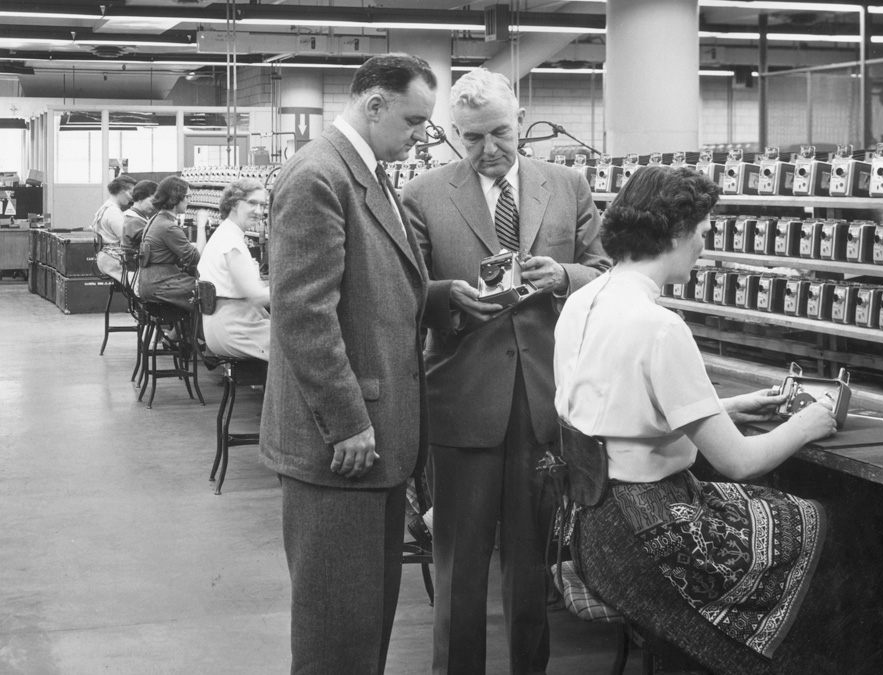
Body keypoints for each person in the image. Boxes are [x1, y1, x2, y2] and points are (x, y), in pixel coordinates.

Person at [554, 166, 843, 675]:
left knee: (792, 523)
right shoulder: (660, 326)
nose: (704, 247)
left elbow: (612, 411)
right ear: (677, 234)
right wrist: (809, 422)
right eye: (704, 233)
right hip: (644, 536)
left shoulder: (583, 301)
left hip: (592, 528)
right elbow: (740, 462)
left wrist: (722, 410)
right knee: (821, 526)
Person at [399, 67, 610, 675]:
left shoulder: (567, 186)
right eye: (471, 138)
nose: (488, 149)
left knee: (532, 565)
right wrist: (447, 297)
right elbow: (404, 288)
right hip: (462, 400)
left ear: (519, 122)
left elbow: (605, 271)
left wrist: (565, 276)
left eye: (499, 133)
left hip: (543, 401)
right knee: (460, 567)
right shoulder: (424, 195)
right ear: (453, 133)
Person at [259, 53, 437, 675]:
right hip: (342, 447)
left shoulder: (367, 174)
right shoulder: (318, 175)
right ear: (375, 104)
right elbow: (304, 314)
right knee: (335, 635)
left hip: (376, 445)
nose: (420, 136)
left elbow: (374, 287)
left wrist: (444, 298)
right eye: (413, 121)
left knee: (363, 626)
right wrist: (348, 421)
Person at [196, 178, 271, 361]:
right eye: (252, 203)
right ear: (234, 204)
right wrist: (294, 288)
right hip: (236, 330)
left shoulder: (225, 234)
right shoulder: (231, 243)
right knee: (308, 343)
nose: (259, 211)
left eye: (262, 205)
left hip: (227, 326)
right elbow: (258, 296)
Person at [137, 175, 198, 311]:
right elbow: (195, 258)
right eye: (187, 197)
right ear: (176, 198)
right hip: (160, 284)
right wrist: (201, 226)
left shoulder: (155, 219)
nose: (189, 201)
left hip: (150, 281)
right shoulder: (168, 227)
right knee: (206, 289)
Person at [93, 174, 137, 282]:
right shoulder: (113, 212)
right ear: (121, 191)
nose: (132, 197)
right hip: (113, 260)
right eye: (130, 193)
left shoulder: (105, 207)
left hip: (106, 258)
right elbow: (125, 240)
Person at [121, 179, 159, 249]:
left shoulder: (138, 217)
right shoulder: (133, 220)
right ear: (140, 198)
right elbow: (154, 241)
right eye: (152, 201)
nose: (154, 205)